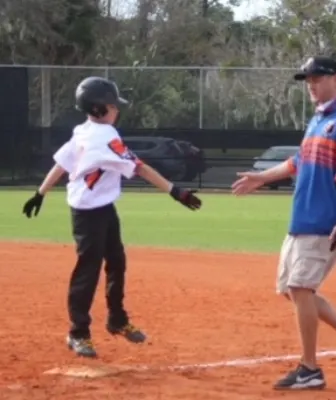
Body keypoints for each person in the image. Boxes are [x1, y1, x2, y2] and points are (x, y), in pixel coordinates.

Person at [22, 76, 202, 358]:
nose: (117, 110)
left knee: (116, 262)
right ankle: (78, 332)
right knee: (88, 269)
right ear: (97, 109)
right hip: (87, 212)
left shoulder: (83, 130)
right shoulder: (103, 137)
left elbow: (61, 163)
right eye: (112, 106)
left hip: (103, 208)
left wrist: (40, 193)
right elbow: (139, 168)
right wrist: (175, 191)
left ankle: (116, 319)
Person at [231, 56, 336, 390]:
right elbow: (297, 162)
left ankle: (309, 369)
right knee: (293, 291)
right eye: (308, 79)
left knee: (300, 288)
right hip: (301, 219)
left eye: (318, 78)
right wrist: (262, 178)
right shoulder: (317, 120)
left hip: (324, 221)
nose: (311, 84)